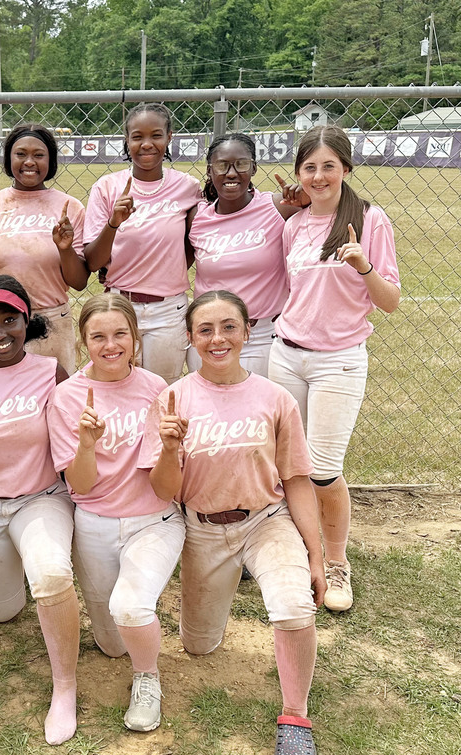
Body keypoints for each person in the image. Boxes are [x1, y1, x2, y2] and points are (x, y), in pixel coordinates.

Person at [140, 289, 326, 755]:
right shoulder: (173, 397)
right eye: (205, 330)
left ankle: (296, 717)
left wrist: (317, 556)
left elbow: (297, 481)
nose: (218, 339)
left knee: (292, 604)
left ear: (247, 332)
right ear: (189, 337)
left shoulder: (275, 398)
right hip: (203, 530)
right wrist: (167, 448)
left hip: (266, 519)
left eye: (229, 327)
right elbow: (164, 491)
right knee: (198, 645)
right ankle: (226, 593)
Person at [268, 125, 401, 613]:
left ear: (346, 167)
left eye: (328, 166)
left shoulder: (370, 220)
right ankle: (302, 556)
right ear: (299, 174)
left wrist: (364, 265)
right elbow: (293, 292)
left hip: (338, 361)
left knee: (323, 470)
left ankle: (338, 562)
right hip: (287, 354)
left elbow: (390, 302)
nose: (319, 176)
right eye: (309, 168)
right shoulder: (294, 225)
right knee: (288, 467)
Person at [46, 294, 184, 734]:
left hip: (152, 519)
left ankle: (148, 679)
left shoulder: (155, 388)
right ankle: (136, 610)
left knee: (129, 606)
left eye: (120, 334)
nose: (111, 345)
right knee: (110, 644)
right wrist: (86, 443)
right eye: (98, 337)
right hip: (95, 523)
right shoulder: (67, 398)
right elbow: (81, 486)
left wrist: (171, 448)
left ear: (136, 338)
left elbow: (164, 487)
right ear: (84, 343)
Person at [0, 275, 78, 745]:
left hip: (39, 497)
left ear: (28, 320)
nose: (0, 333)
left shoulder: (51, 371)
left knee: (50, 576)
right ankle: (12, 570)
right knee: (2, 612)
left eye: (10, 320)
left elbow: (71, 445)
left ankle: (65, 686)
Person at [84, 103, 201, 384]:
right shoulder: (107, 187)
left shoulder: (188, 187)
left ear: (169, 137)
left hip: (168, 309)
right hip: (120, 305)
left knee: (164, 387)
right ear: (127, 140)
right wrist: (114, 223)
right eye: (137, 136)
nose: (146, 144)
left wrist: (165, 269)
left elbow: (191, 246)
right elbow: (93, 261)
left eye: (156, 135)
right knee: (117, 386)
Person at [0, 124, 88, 373]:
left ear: (50, 160)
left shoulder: (70, 207)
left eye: (39, 155)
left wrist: (64, 249)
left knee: (55, 399)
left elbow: (79, 282)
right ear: (9, 158)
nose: (29, 161)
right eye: (20, 154)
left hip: (50, 319)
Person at [186, 132, 308, 377]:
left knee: (260, 413)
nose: (231, 173)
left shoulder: (277, 207)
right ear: (210, 171)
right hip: (210, 335)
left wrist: (306, 200)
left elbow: (329, 211)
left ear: (254, 168)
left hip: (262, 336)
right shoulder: (197, 217)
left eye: (241, 164)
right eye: (222, 165)